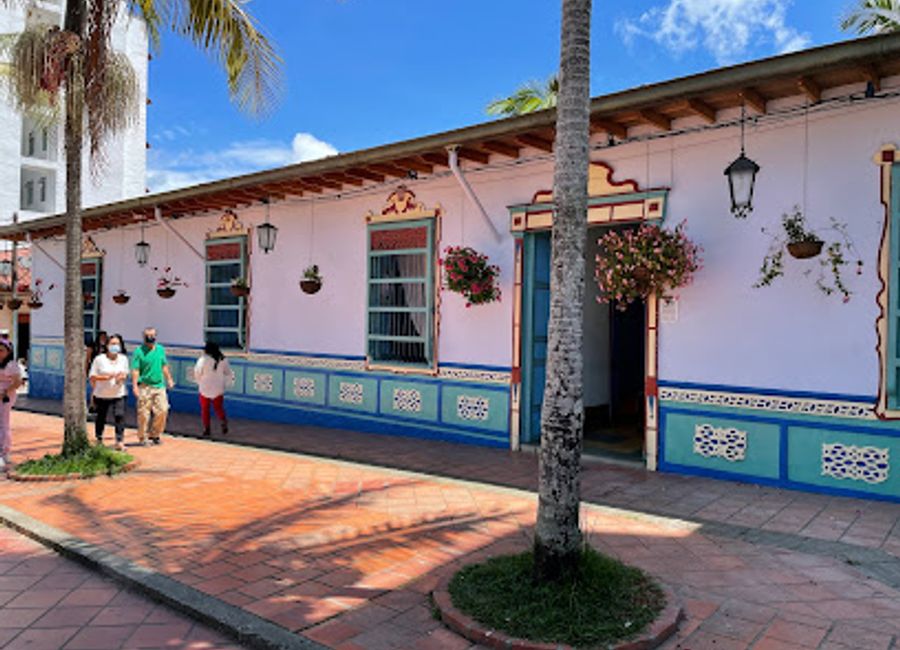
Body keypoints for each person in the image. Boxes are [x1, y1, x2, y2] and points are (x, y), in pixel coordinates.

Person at [131, 327, 174, 446]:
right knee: (144, 413)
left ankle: (155, 434)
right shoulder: (139, 351)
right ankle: (142, 437)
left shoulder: (160, 349)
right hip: (145, 386)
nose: (150, 338)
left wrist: (169, 379)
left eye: (152, 335)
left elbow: (164, 365)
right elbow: (135, 370)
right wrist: (135, 386)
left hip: (159, 385)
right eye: (147, 336)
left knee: (163, 410)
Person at [89, 334, 129, 450]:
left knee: (119, 415)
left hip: (119, 393)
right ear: (107, 345)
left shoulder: (123, 359)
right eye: (112, 344)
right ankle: (99, 438)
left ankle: (119, 441)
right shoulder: (99, 359)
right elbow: (92, 377)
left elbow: (125, 373)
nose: (115, 346)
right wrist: (105, 378)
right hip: (102, 393)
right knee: (101, 417)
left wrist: (121, 377)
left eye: (117, 344)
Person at [194, 342, 234, 437]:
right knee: (218, 408)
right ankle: (223, 421)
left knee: (205, 409)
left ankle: (207, 429)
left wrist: (199, 382)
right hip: (218, 388)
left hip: (205, 387)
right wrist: (225, 384)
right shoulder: (223, 359)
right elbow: (228, 373)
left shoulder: (203, 359)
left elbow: (197, 372)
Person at [0, 338, 23, 470]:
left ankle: (4, 452)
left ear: (8, 352)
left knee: (4, 423)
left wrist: (4, 392)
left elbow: (17, 382)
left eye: (2, 350)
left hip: (6, 396)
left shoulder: (12, 365)